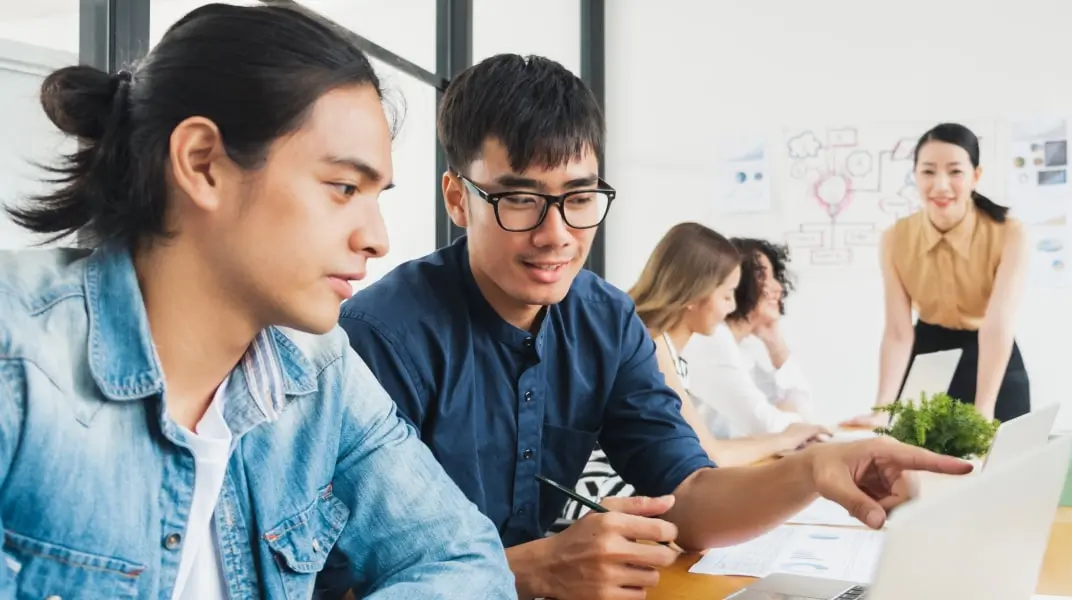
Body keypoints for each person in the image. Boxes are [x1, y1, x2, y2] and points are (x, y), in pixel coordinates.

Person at [339, 53, 975, 600]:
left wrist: (812, 472)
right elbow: (348, 580)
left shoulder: (604, 317)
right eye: (521, 200)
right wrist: (537, 569)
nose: (557, 234)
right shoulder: (380, 336)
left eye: (581, 198)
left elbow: (690, 498)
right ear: (458, 198)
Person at [0, 4, 514, 599]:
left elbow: (463, 558)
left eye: (375, 196)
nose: (376, 239)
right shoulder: (18, 354)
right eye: (344, 188)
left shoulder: (319, 372)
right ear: (203, 163)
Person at [561, 223, 830, 521]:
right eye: (727, 295)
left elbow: (703, 448)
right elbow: (710, 456)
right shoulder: (651, 344)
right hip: (605, 502)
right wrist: (785, 439)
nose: (730, 308)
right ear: (694, 294)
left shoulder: (665, 346)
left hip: (629, 494)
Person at [842, 122, 1031, 428]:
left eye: (955, 172)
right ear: (915, 175)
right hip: (928, 357)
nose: (940, 186)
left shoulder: (1009, 233)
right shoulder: (896, 238)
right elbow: (899, 333)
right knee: (920, 466)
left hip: (992, 357)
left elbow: (997, 326)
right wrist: (882, 410)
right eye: (928, 172)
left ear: (975, 176)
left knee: (1004, 464)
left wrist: (984, 408)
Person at [684, 237, 823, 439]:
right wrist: (791, 418)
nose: (778, 288)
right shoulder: (712, 340)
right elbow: (767, 424)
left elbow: (803, 414)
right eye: (764, 277)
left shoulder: (740, 352)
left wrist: (776, 344)